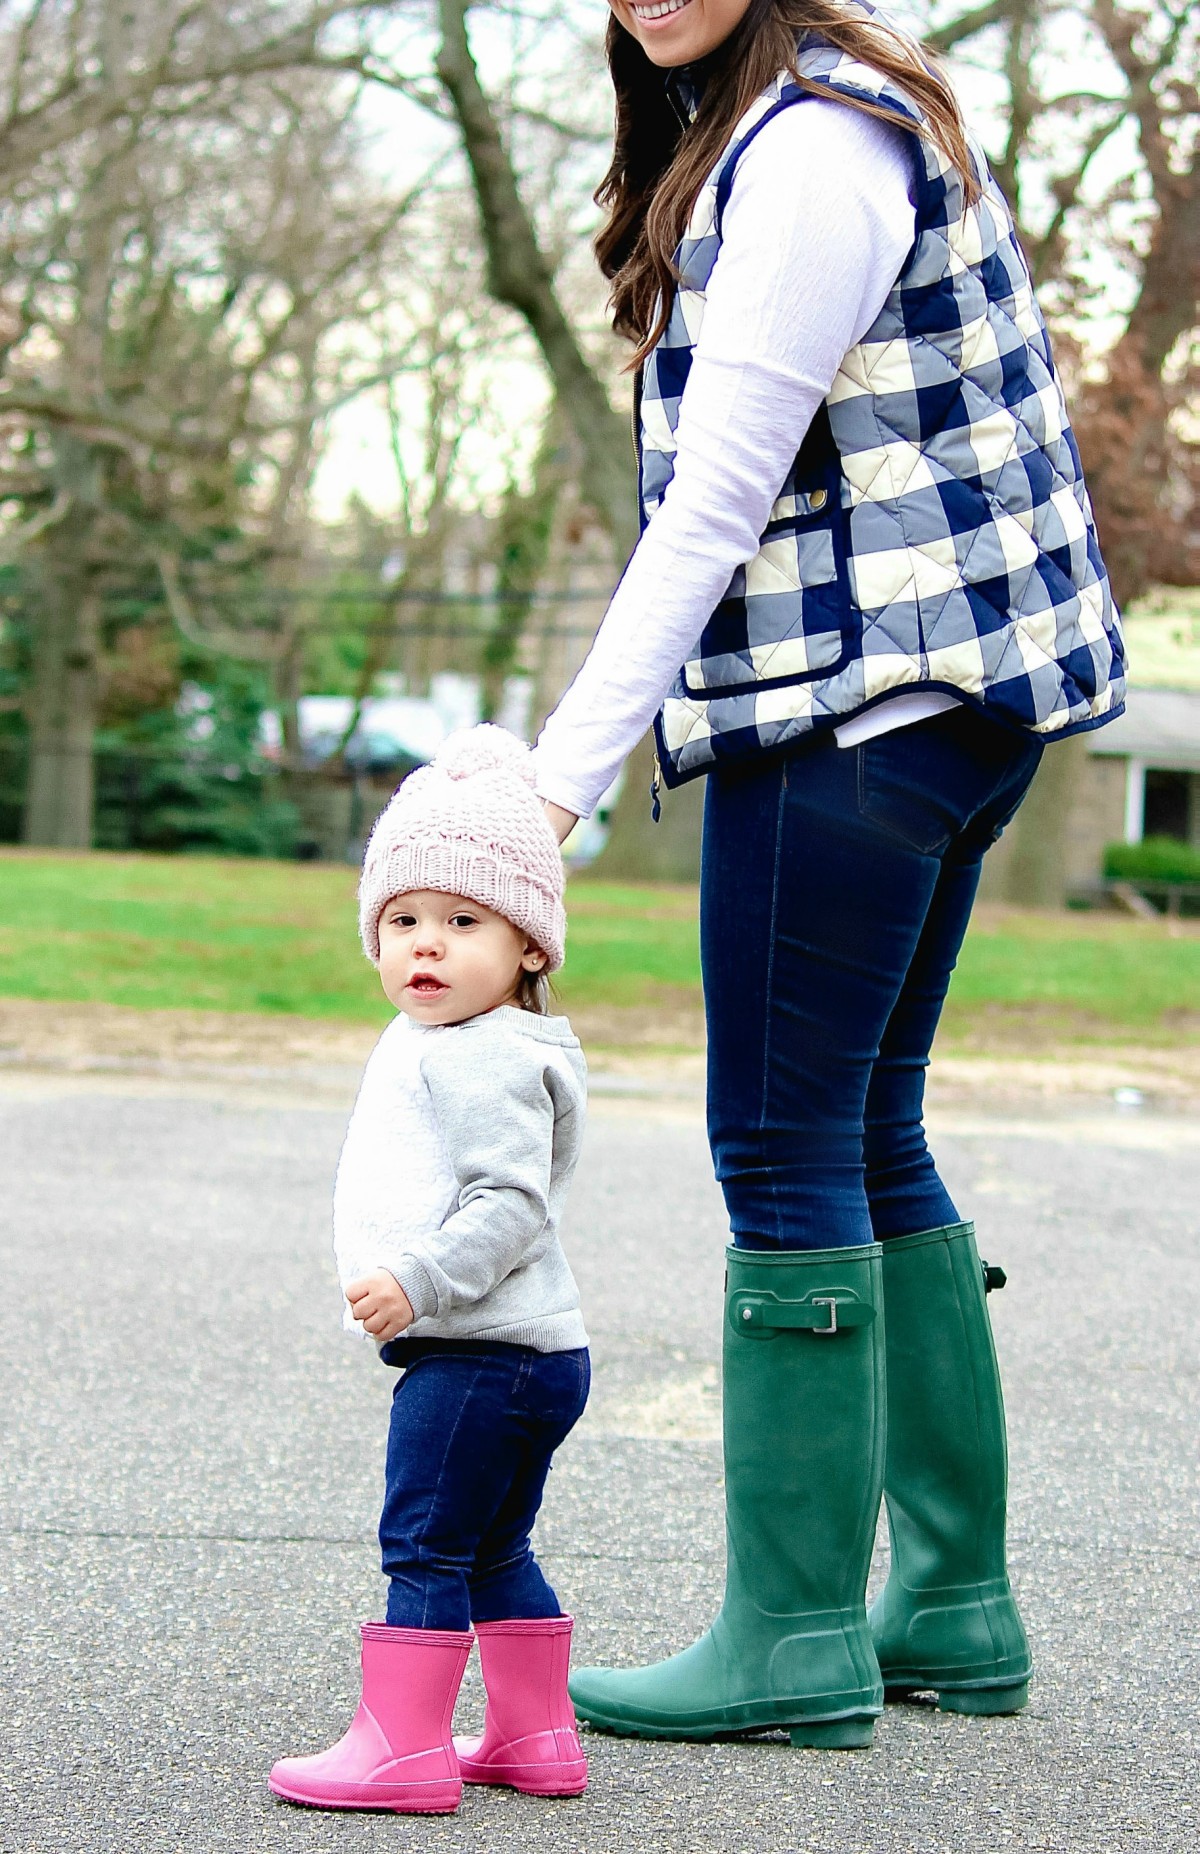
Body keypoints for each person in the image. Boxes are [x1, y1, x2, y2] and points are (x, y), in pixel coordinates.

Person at [532, 0, 1126, 1749]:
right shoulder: (824, 114)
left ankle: (792, 1636)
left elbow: (715, 505)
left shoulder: (807, 148)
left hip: (866, 703)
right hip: (950, 700)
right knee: (868, 1128)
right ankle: (951, 1602)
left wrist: (554, 787)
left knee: (780, 1142)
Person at [269, 725, 591, 1814]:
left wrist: (418, 1277)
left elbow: (511, 1202)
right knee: (494, 1543)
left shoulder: (484, 1052)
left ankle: (402, 1751)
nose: (427, 946)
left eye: (463, 922)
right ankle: (533, 1738)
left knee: (423, 1544)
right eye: (403, 921)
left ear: (530, 946)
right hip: (528, 1354)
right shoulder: (454, 1036)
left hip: (477, 1354)